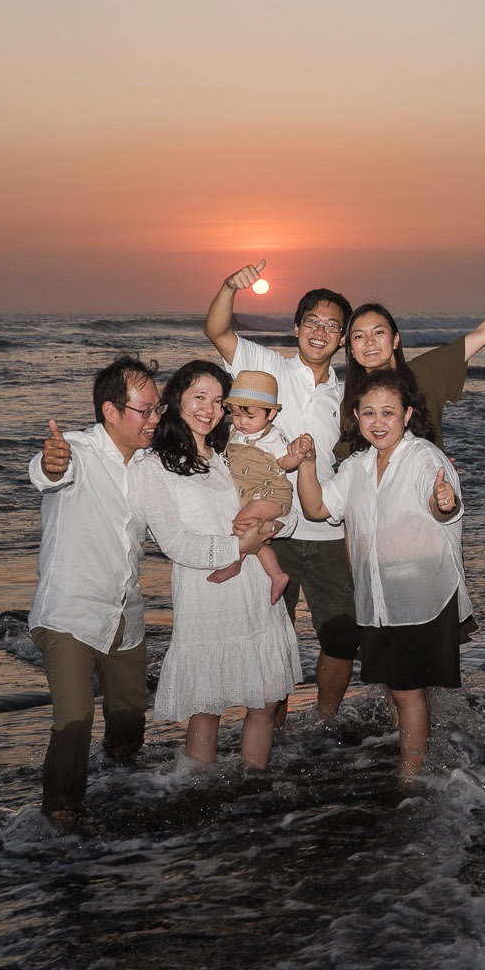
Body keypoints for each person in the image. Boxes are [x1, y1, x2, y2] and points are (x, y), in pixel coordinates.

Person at [292, 369, 470, 783]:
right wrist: (307, 463)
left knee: (407, 691)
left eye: (388, 412)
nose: (378, 421)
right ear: (356, 416)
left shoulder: (424, 457)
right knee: (399, 688)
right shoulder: (357, 466)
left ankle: (411, 779)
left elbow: (442, 503)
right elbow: (317, 509)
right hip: (378, 597)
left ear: (407, 415)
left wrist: (444, 501)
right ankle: (422, 761)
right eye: (368, 412)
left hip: (419, 595)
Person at [129, 360, 300, 769]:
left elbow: (285, 506)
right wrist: (239, 545)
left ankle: (254, 780)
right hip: (207, 590)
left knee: (266, 699)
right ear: (177, 399)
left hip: (257, 586)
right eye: (199, 397)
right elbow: (175, 543)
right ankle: (198, 788)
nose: (209, 409)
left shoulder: (230, 453)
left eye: (219, 401)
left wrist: (273, 525)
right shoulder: (153, 465)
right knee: (207, 705)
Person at [204, 274, 355, 719]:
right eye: (312, 321)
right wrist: (230, 286)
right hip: (273, 530)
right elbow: (217, 330)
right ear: (296, 327)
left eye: (331, 325)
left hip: (330, 530)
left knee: (341, 637)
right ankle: (274, 731)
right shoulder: (266, 366)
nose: (320, 331)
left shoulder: (348, 395)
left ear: (342, 338)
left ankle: (326, 723)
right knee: (273, 637)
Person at [26, 354, 166, 831]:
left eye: (158, 409)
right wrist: (50, 462)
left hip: (125, 613)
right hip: (69, 613)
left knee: (130, 719)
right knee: (74, 719)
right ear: (111, 411)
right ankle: (60, 816)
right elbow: (48, 471)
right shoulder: (79, 452)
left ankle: (122, 774)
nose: (154, 419)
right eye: (145, 410)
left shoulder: (148, 463)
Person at [337, 250, 485, 456]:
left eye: (378, 332)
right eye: (359, 336)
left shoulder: (424, 372)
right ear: (351, 350)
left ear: (395, 339)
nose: (370, 342)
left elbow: (481, 335)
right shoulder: (349, 401)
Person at [203, 368, 308, 597]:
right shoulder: (234, 432)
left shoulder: (272, 436)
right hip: (249, 495)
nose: (242, 422)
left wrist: (298, 454)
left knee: (241, 522)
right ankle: (277, 574)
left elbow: (286, 463)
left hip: (271, 495)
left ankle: (234, 561)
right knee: (253, 535)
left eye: (250, 417)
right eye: (236, 415)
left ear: (270, 414)